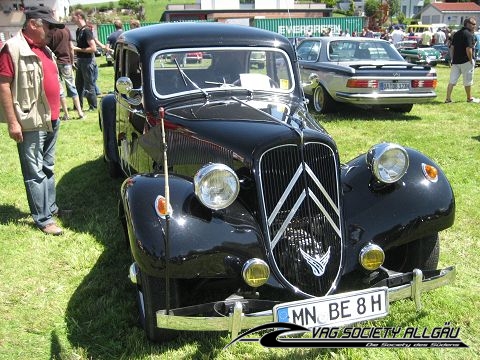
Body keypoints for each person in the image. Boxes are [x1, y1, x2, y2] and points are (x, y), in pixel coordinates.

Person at [0, 6, 65, 235]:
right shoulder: (13, 48)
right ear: (33, 24)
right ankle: (44, 219)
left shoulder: (45, 49)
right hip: (30, 121)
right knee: (34, 172)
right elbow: (4, 85)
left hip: (52, 119)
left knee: (48, 167)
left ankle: (51, 207)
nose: (51, 31)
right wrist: (13, 122)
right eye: (48, 26)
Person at [47, 26, 85, 120]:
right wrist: (72, 62)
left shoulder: (50, 31)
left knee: (60, 89)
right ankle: (80, 112)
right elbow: (71, 47)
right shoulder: (66, 29)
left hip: (55, 62)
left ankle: (66, 114)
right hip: (66, 61)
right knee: (72, 86)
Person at [445, 17, 478, 103]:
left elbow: (452, 47)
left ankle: (448, 99)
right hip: (466, 61)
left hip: (456, 61)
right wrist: (471, 60)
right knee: (468, 81)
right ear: (468, 24)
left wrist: (452, 58)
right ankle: (469, 98)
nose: (475, 26)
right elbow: (469, 49)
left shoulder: (456, 34)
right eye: (473, 24)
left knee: (452, 81)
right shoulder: (469, 35)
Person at [71, 9, 98, 111]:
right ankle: (78, 106)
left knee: (88, 85)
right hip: (80, 60)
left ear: (79, 16)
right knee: (78, 85)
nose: (71, 18)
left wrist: (77, 49)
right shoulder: (78, 30)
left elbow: (93, 49)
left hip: (88, 61)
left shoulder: (87, 31)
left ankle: (93, 106)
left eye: (73, 16)